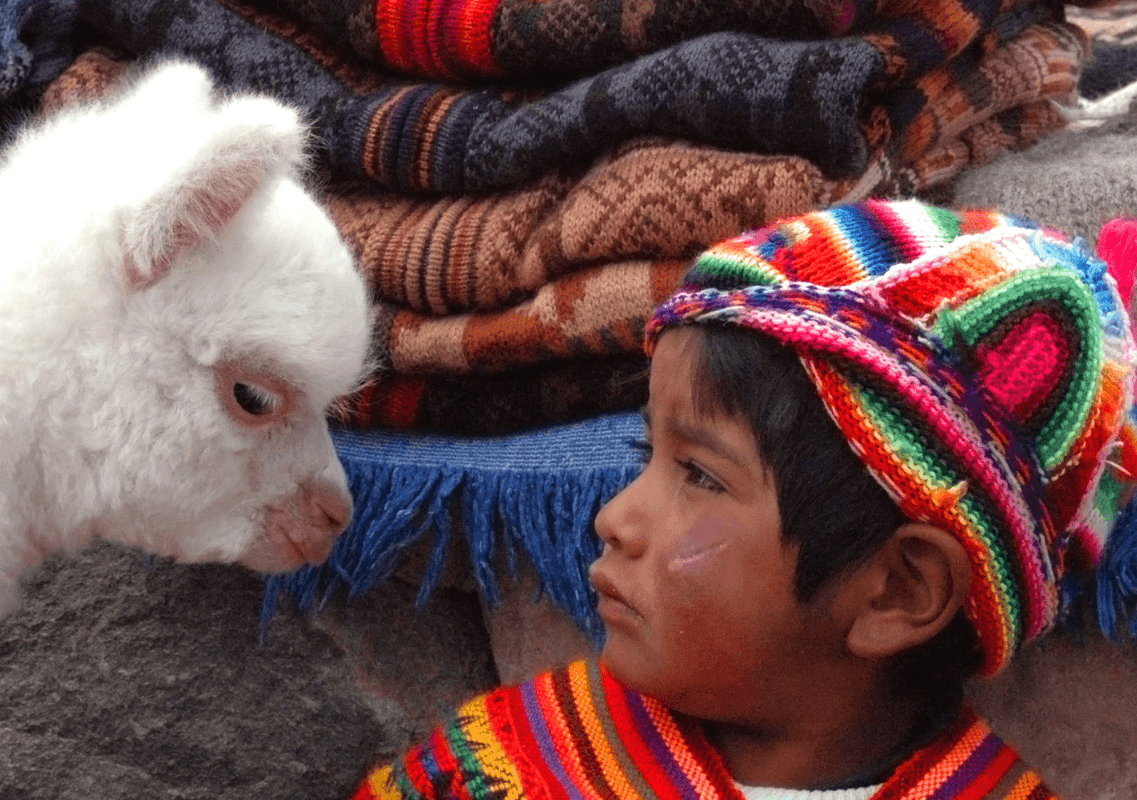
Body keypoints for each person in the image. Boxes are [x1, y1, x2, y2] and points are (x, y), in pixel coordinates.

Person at [353, 199, 1137, 799]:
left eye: (698, 474)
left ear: (899, 590)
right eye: (647, 454)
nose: (613, 518)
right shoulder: (511, 768)